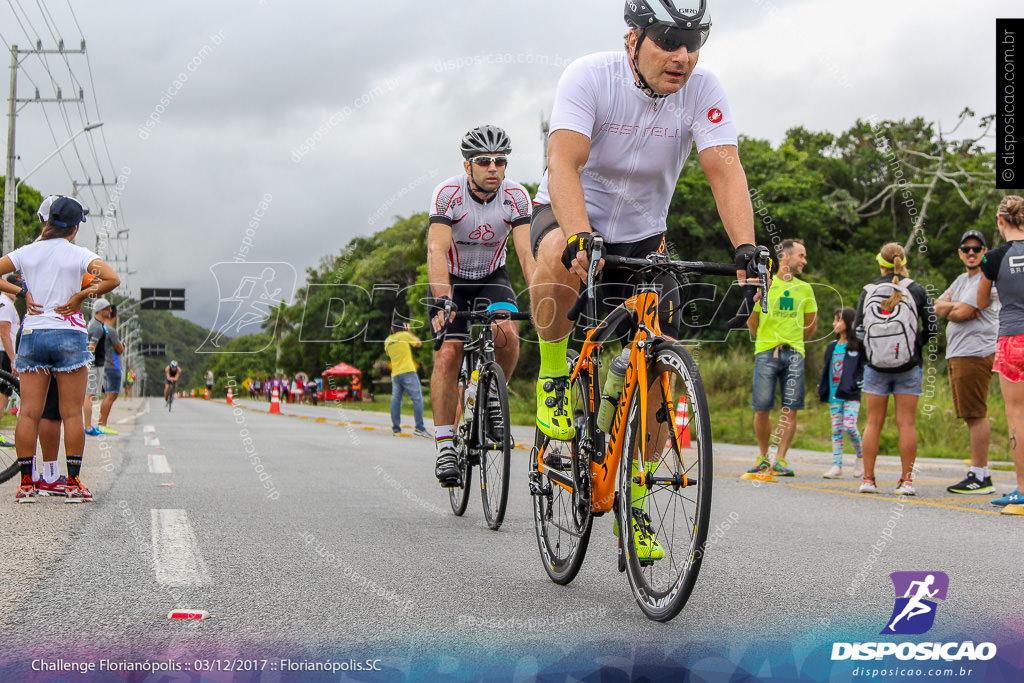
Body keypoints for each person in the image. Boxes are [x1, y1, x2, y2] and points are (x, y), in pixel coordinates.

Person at [427, 124, 534, 486]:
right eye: (484, 161)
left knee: (507, 331)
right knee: (448, 352)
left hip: (492, 277)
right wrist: (442, 298)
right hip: (453, 281)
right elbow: (436, 249)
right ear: (467, 164)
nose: (493, 168)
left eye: (500, 161)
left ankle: (490, 395)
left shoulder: (517, 196)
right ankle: (444, 444)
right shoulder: (448, 193)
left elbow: (525, 251)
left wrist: (541, 294)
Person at [0, 195, 120, 502]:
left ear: (47, 221)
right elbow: (111, 279)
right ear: (75, 228)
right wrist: (81, 296)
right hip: (69, 334)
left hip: (34, 333)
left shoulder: (26, 252)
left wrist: (21, 292)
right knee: (71, 414)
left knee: (28, 413)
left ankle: (27, 484)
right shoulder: (78, 254)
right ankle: (73, 483)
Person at [854, 243, 937, 496]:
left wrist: (872, 352)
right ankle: (906, 481)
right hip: (908, 366)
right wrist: (914, 345)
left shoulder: (868, 291)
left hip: (875, 366)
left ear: (880, 263)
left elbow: (858, 330)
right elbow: (932, 328)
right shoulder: (918, 290)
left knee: (872, 423)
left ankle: (868, 479)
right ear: (904, 262)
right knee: (906, 424)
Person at [746, 239, 818, 476]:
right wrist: (767, 341)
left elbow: (811, 325)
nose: (804, 261)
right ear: (785, 257)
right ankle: (763, 456)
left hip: (795, 352)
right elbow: (752, 321)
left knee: (791, 407)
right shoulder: (765, 285)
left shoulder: (805, 289)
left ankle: (781, 459)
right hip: (766, 351)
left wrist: (794, 341)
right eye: (801, 255)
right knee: (762, 407)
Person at [935, 230, 999, 495]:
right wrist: (952, 308)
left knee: (975, 413)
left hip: (975, 352)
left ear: (984, 251)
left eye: (977, 248)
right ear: (960, 253)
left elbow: (959, 313)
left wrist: (954, 308)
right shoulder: (962, 279)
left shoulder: (987, 278)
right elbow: (938, 306)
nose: (971, 253)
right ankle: (978, 472)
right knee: (969, 414)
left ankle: (980, 475)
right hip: (959, 352)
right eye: (966, 249)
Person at [977, 195, 1024, 508]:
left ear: (1000, 221)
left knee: (1017, 416)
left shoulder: (991, 258)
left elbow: (981, 302)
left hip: (1013, 338)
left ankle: (1022, 488)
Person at [816, 307, 864, 479]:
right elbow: (826, 369)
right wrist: (822, 388)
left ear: (850, 323)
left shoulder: (858, 345)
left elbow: (862, 368)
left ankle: (860, 457)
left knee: (849, 426)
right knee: (836, 429)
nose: (834, 323)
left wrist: (858, 384)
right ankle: (837, 465)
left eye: (838, 320)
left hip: (851, 394)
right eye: (834, 320)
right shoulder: (832, 346)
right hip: (834, 394)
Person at [384, 322, 429, 439]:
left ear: (392, 328)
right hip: (408, 371)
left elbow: (388, 354)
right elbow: (418, 343)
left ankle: (396, 428)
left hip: (395, 373)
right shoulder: (404, 335)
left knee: (396, 400)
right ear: (403, 328)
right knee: (417, 399)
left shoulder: (387, 340)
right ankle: (419, 427)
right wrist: (409, 332)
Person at [96, 303, 124, 435]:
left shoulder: (102, 328)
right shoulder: (110, 330)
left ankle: (102, 423)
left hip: (105, 364)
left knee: (109, 394)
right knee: (111, 394)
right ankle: (102, 424)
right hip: (113, 365)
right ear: (115, 314)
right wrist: (121, 345)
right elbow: (120, 348)